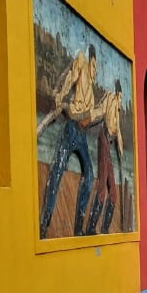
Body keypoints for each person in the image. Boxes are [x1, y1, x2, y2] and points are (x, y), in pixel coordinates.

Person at [39, 44, 98, 238]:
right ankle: (44, 221)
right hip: (71, 128)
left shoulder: (92, 87)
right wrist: (61, 96)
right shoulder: (81, 63)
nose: (96, 71)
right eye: (95, 66)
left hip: (81, 135)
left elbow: (91, 114)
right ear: (90, 61)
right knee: (57, 170)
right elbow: (71, 75)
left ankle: (78, 227)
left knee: (89, 175)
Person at [86, 79, 124, 234]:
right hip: (104, 138)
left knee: (113, 193)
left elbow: (119, 132)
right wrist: (88, 117)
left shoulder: (118, 111)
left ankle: (104, 229)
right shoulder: (110, 98)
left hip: (109, 142)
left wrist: (121, 153)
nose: (121, 100)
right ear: (118, 94)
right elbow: (100, 111)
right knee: (102, 186)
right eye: (121, 97)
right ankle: (91, 227)